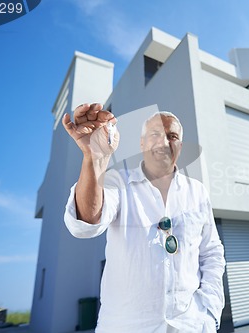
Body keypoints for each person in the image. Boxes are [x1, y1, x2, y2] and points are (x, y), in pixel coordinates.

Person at [62, 103, 226, 333]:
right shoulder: (116, 182)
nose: (164, 142)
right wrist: (94, 158)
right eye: (155, 134)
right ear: (141, 143)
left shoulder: (197, 191)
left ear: (180, 144)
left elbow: (212, 252)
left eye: (172, 135)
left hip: (192, 325)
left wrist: (210, 311)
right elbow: (86, 225)